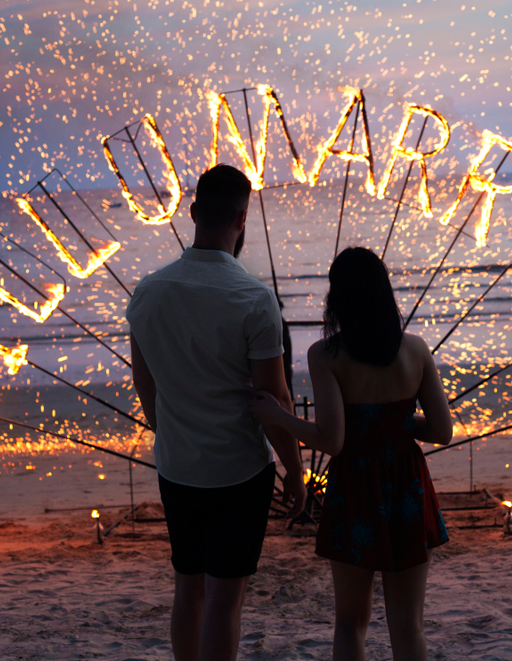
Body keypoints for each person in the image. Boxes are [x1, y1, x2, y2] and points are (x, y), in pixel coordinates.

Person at [127, 164, 307, 661]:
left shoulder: (148, 293)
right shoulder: (253, 298)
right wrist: (295, 470)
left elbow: (147, 385)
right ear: (243, 219)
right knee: (225, 601)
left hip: (178, 466)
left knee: (188, 589)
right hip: (238, 470)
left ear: (192, 213)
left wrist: (171, 435)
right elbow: (274, 399)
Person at [251, 246, 453, 661]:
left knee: (349, 623)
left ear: (337, 298)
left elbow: (332, 439)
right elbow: (442, 430)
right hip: (406, 485)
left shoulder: (327, 355)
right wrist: (393, 424)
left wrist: (278, 416)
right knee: (408, 624)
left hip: (357, 488)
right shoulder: (416, 350)